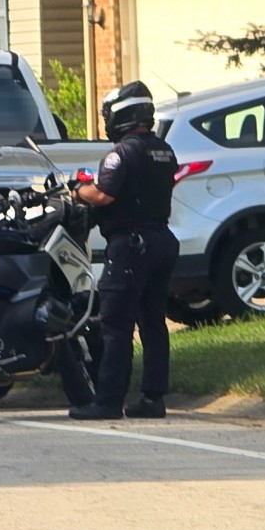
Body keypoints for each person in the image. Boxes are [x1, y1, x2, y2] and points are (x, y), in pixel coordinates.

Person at [69, 80, 179, 420]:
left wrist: (78, 189)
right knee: (153, 323)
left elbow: (103, 195)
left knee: (116, 325)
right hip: (161, 241)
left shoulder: (122, 152)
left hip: (131, 247)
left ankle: (108, 401)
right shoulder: (164, 150)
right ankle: (153, 398)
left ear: (120, 116)